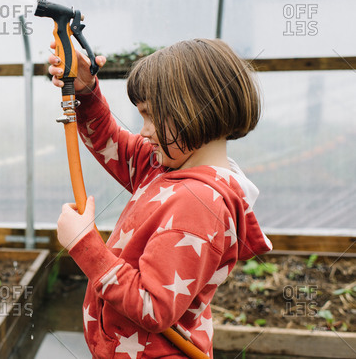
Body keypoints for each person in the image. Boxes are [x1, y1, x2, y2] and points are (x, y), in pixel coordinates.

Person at [48, 38, 272, 358]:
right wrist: (85, 90)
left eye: (151, 116)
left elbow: (153, 307)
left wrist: (85, 245)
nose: (143, 131)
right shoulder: (167, 165)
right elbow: (110, 141)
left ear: (192, 112)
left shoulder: (199, 204)